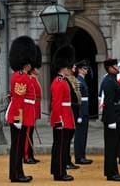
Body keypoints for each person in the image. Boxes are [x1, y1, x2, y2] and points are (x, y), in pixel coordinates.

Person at [6, 35, 37, 182]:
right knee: (17, 147)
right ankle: (16, 175)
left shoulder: (20, 75)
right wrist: (18, 119)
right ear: (26, 63)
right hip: (19, 116)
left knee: (17, 147)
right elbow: (18, 100)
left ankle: (17, 173)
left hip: (23, 115)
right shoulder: (20, 77)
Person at [50, 45, 75, 181]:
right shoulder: (59, 82)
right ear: (63, 67)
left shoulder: (62, 80)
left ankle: (58, 170)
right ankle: (59, 173)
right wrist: (58, 120)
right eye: (67, 67)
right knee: (60, 147)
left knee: (61, 146)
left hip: (65, 116)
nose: (69, 69)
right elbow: (57, 104)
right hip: (62, 118)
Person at [100, 58, 120, 181]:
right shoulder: (109, 82)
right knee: (111, 147)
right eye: (116, 65)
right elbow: (109, 102)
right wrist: (111, 121)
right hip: (113, 118)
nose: (118, 67)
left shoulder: (112, 80)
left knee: (114, 146)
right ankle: (111, 173)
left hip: (117, 116)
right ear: (111, 68)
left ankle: (113, 172)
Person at [23, 45, 42, 164]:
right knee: (27, 134)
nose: (38, 69)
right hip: (29, 110)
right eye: (36, 68)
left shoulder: (33, 79)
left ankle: (30, 154)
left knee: (30, 133)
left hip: (34, 109)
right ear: (32, 69)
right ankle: (26, 156)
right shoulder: (29, 79)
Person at [74, 60, 93, 165]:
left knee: (84, 134)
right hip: (81, 110)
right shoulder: (78, 81)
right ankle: (79, 157)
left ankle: (82, 155)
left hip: (85, 110)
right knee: (79, 135)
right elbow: (78, 100)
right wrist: (79, 114)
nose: (86, 70)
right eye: (85, 68)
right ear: (80, 70)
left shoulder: (82, 80)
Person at [65, 63, 81, 170]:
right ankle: (66, 161)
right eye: (73, 66)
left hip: (74, 110)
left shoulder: (72, 79)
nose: (74, 68)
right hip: (70, 110)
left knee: (69, 137)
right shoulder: (66, 80)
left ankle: (67, 160)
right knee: (67, 138)